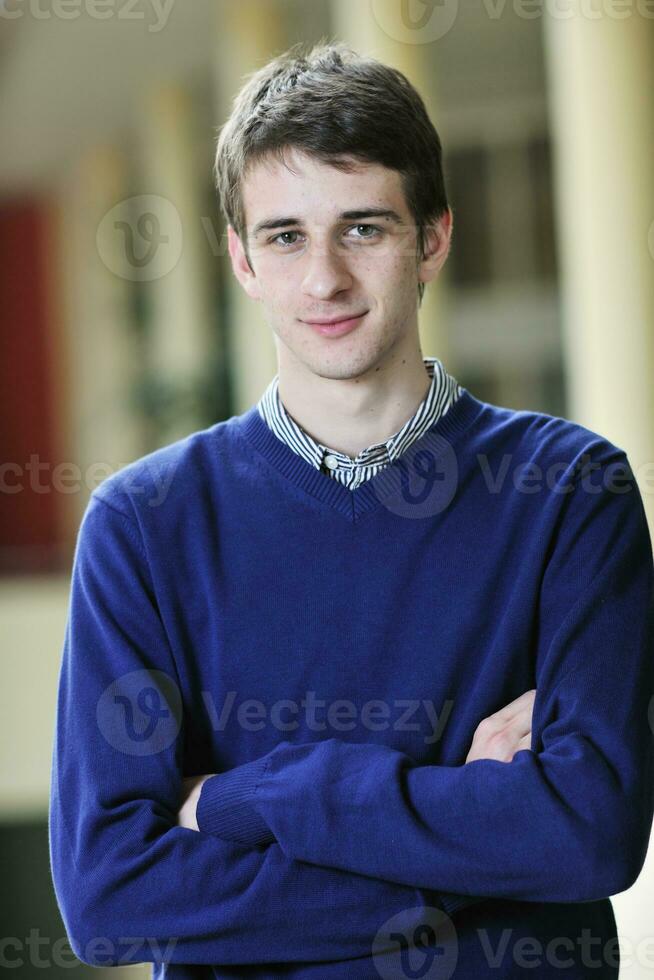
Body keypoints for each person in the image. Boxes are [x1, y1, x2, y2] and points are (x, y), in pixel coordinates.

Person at [49, 41, 654, 979]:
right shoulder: (144, 524)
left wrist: (248, 798)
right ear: (242, 260)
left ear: (433, 240)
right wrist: (471, 823)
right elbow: (110, 899)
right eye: (286, 235)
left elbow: (590, 836)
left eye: (363, 228)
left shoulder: (570, 492)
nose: (323, 278)